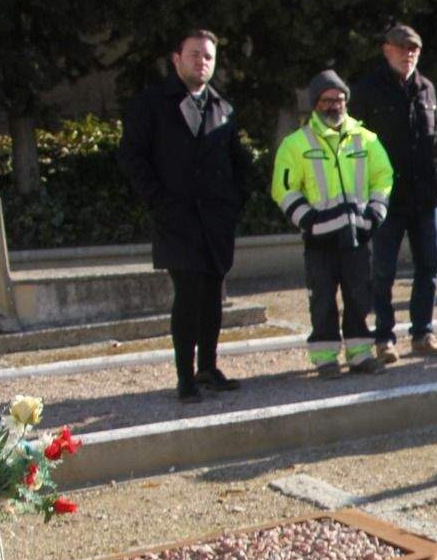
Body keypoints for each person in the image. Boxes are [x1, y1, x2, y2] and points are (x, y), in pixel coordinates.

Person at [117, 28, 252, 403]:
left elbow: (239, 161)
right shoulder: (151, 103)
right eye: (194, 55)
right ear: (176, 58)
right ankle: (185, 377)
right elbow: (132, 156)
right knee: (189, 293)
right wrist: (157, 200)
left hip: (215, 219)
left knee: (212, 294)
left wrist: (234, 200)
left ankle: (208, 367)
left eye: (208, 57)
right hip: (176, 218)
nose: (201, 62)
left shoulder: (222, 108)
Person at [272, 70, 394, 377]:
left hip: (357, 234)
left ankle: (360, 355)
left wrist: (375, 214)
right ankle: (325, 358)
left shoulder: (366, 139)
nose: (334, 106)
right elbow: (283, 187)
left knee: (358, 295)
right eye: (326, 100)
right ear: (315, 104)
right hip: (319, 238)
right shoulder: (296, 144)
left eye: (339, 99)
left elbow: (384, 177)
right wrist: (308, 221)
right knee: (322, 298)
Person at [350, 23, 437, 363]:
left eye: (414, 49)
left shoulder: (427, 89)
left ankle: (422, 332)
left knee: (429, 267)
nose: (408, 54)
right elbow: (354, 145)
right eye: (402, 48)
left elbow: (434, 142)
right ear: (386, 49)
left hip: (425, 195)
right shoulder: (366, 90)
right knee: (383, 271)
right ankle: (383, 337)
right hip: (385, 197)